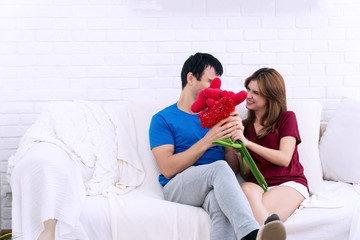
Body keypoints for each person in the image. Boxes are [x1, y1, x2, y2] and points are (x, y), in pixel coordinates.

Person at [149, 53, 286, 240]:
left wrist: (236, 143)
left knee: (222, 206)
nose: (216, 88)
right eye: (211, 81)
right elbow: (167, 169)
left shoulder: (218, 115)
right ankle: (252, 233)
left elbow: (230, 169)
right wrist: (208, 140)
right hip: (178, 186)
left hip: (212, 185)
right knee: (218, 168)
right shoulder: (162, 119)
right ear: (191, 78)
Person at [230, 67, 309, 226]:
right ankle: (268, 232)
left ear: (271, 97)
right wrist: (238, 151)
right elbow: (246, 173)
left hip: (288, 182)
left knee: (251, 213)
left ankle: (263, 230)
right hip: (258, 185)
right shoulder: (245, 127)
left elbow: (284, 159)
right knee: (245, 188)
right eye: (248, 89)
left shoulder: (287, 118)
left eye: (256, 93)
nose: (249, 96)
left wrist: (248, 144)